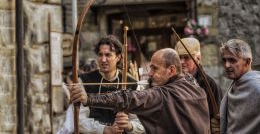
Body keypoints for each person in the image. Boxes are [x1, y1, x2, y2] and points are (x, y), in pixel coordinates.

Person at [69, 48, 210, 133]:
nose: (150, 73)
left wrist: (89, 98)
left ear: (171, 70)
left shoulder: (163, 94)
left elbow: (128, 98)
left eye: (155, 68)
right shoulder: (196, 88)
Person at [59, 35, 145, 134]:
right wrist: (105, 129)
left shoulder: (132, 84)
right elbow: (78, 119)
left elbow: (140, 121)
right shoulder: (84, 80)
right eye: (100, 55)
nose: (103, 60)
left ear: (118, 57)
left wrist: (129, 125)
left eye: (108, 55)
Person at [175, 38, 223, 121]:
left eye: (186, 57)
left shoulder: (210, 84)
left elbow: (217, 117)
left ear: (198, 58)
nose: (182, 61)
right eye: (179, 57)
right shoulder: (172, 82)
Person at [219, 39, 260, 134]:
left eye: (232, 60)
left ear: (247, 62)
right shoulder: (236, 82)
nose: (226, 65)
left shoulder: (257, 88)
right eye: (224, 60)